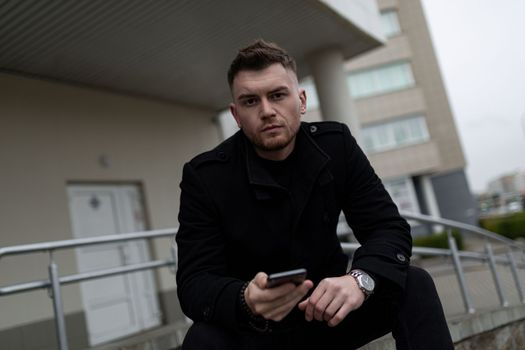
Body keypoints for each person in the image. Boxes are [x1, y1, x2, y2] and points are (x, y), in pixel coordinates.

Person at [175, 39, 454, 349]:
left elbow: (387, 227)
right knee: (202, 338)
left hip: (329, 313)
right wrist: (244, 299)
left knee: (414, 283)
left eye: (278, 95)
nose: (267, 111)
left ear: (302, 100)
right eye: (250, 101)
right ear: (236, 115)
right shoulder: (206, 176)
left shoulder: (337, 146)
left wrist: (359, 279)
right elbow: (194, 281)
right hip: (259, 329)